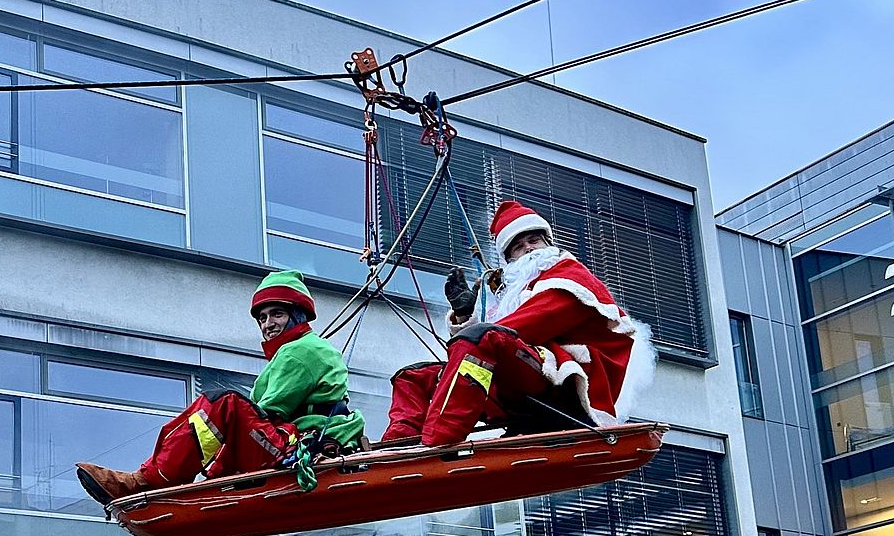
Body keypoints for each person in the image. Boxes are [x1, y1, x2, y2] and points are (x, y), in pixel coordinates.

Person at [76, 270, 365, 504]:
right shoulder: (303, 350)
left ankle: (147, 480)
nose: (268, 324)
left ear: (297, 315)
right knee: (228, 408)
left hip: (296, 447)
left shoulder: (300, 351)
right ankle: (171, 478)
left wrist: (215, 472)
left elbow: (268, 414)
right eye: (262, 318)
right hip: (294, 442)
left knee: (222, 404)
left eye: (277, 314)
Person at [382, 200, 655, 446]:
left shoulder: (570, 278)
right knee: (413, 376)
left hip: (560, 389)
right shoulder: (517, 292)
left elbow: (524, 327)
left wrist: (474, 334)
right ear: (509, 258)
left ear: (548, 243)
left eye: (533, 241)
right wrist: (465, 318)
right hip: (520, 380)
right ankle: (397, 446)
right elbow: (484, 346)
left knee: (482, 338)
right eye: (518, 247)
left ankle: (435, 443)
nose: (527, 250)